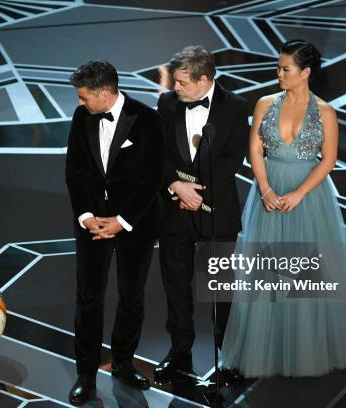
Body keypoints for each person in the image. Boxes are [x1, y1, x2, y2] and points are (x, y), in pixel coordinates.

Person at [221, 40, 346, 377]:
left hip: (308, 197)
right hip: (269, 192)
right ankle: (268, 346)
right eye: (278, 68)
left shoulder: (325, 111)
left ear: (305, 72)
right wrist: (265, 189)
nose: (278, 74)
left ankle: (308, 348)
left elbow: (330, 159)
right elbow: (254, 151)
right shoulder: (264, 104)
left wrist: (301, 193)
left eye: (285, 69)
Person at [65, 60, 164, 405]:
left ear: (104, 93)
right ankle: (86, 373)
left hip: (133, 224)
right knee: (88, 299)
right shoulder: (81, 119)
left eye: (84, 97)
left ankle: (122, 362)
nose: (80, 104)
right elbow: (75, 171)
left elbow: (152, 178)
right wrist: (87, 215)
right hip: (92, 225)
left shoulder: (148, 119)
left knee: (131, 296)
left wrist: (121, 221)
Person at [154, 45, 249, 384]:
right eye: (175, 82)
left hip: (216, 212)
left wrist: (197, 193)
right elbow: (158, 152)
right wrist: (176, 186)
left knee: (221, 288)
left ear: (205, 79)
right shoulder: (166, 103)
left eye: (181, 83)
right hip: (174, 211)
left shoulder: (235, 107)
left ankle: (231, 356)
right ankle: (180, 352)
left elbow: (231, 159)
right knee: (175, 285)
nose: (174, 88)